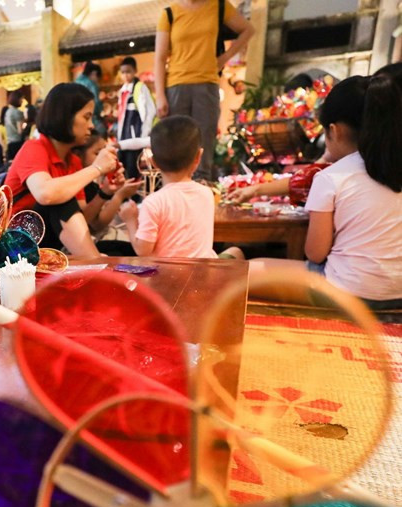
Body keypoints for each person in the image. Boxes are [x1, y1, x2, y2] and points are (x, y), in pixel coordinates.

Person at [250, 72, 402, 309]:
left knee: (250, 270)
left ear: (335, 130)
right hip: (398, 295)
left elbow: (315, 254)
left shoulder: (331, 177)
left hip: (346, 295)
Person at [4, 82, 120, 258]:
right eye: (86, 117)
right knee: (58, 198)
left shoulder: (72, 161)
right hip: (14, 248)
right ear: (65, 117)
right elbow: (46, 194)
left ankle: (93, 260)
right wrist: (97, 168)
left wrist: (104, 193)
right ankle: (95, 263)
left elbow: (81, 220)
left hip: (47, 244)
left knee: (120, 249)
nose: (91, 126)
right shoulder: (33, 148)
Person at [154, 0, 254, 181]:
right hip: (176, 84)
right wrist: (160, 95)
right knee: (176, 144)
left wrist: (225, 58)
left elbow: (248, 30)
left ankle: (202, 189)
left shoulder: (219, 6)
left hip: (207, 84)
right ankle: (173, 193)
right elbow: (160, 57)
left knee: (204, 142)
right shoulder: (169, 13)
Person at [119, 116, 242, 259]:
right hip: (206, 274)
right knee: (236, 251)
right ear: (198, 157)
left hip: (169, 278)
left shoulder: (153, 202)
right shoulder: (206, 193)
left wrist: (130, 220)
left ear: (153, 162)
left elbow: (142, 250)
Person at [72, 131, 141, 238]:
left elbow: (98, 224)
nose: (106, 157)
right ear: (78, 155)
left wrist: (112, 192)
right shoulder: (74, 185)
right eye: (98, 153)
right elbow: (91, 224)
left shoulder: (91, 184)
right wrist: (119, 195)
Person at [116, 56, 157, 179]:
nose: (125, 75)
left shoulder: (140, 88)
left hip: (135, 135)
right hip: (124, 136)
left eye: (128, 71)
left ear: (135, 71)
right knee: (123, 166)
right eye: (123, 72)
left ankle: (133, 195)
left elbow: (150, 110)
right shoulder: (122, 91)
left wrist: (144, 134)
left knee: (133, 167)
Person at [75, 61, 106, 135]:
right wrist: (101, 102)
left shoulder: (76, 82)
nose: (97, 81)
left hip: (77, 122)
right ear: (94, 73)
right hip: (90, 120)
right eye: (98, 78)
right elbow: (95, 106)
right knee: (102, 131)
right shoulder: (91, 85)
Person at [4, 92, 25, 161]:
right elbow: (20, 130)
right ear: (17, 99)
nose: (22, 101)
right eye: (21, 99)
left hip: (10, 142)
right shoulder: (17, 112)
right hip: (17, 142)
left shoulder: (8, 112)